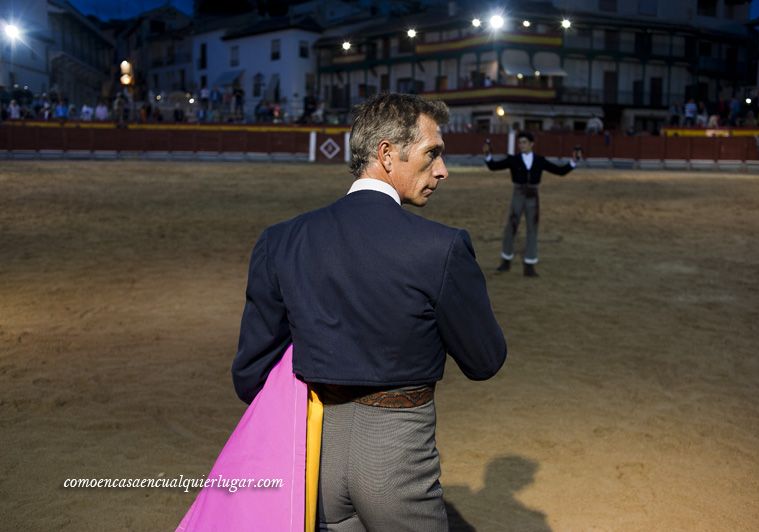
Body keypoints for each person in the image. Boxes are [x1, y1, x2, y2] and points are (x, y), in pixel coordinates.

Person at [233, 93, 507, 531]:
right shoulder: (441, 247)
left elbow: (250, 377)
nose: (442, 170)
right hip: (397, 455)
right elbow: (484, 361)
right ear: (386, 154)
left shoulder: (280, 240)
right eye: (432, 153)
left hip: (313, 454)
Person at [483, 132, 578, 277]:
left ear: (532, 144)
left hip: (533, 195)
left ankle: (529, 265)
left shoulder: (540, 160)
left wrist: (573, 161)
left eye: (524, 142)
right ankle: (506, 261)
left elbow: (560, 171)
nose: (521, 145)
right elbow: (493, 166)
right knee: (511, 227)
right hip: (518, 194)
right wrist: (488, 154)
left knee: (532, 228)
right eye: (520, 142)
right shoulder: (513, 159)